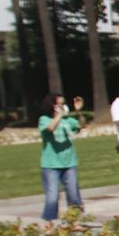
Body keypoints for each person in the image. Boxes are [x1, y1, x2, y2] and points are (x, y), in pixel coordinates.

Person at [38, 93, 83, 221]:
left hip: (69, 163)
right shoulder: (44, 119)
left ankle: (74, 221)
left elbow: (82, 125)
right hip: (51, 165)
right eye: (60, 104)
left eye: (64, 104)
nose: (64, 106)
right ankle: (49, 222)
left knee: (74, 195)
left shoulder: (68, 120)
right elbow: (50, 128)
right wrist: (59, 115)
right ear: (53, 105)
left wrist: (78, 111)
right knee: (52, 197)